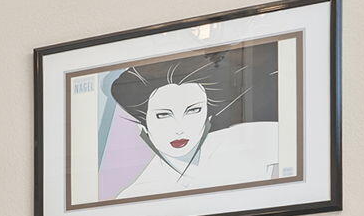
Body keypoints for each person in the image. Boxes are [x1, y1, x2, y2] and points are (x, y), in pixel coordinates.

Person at [108, 50, 281, 199]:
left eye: (193, 111)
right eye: (163, 115)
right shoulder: (139, 193)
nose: (179, 128)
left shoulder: (246, 139)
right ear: (143, 126)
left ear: (208, 115)